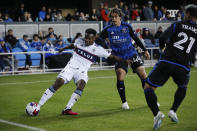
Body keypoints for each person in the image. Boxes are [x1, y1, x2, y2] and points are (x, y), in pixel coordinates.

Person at [37, 28, 132, 115]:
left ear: (94, 39)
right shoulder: (79, 41)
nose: (86, 40)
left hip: (82, 71)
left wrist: (124, 61)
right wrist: (63, 49)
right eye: (86, 38)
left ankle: (67, 109)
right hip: (71, 67)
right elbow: (72, 45)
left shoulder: (98, 49)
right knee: (59, 82)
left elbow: (112, 56)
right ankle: (38, 106)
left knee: (81, 84)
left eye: (89, 39)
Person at [143, 4, 197, 130]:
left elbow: (162, 38)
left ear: (188, 14)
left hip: (167, 60)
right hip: (183, 65)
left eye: (185, 12)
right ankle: (173, 110)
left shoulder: (178, 25)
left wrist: (163, 49)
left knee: (148, 87)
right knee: (182, 87)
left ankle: (157, 114)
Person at [99, 8, 150, 109]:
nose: (113, 19)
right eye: (112, 17)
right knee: (120, 74)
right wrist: (103, 47)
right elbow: (98, 40)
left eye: (115, 17)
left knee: (142, 74)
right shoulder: (107, 30)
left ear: (120, 17)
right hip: (119, 57)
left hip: (131, 53)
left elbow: (136, 38)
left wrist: (145, 50)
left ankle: (151, 100)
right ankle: (124, 103)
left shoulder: (127, 27)